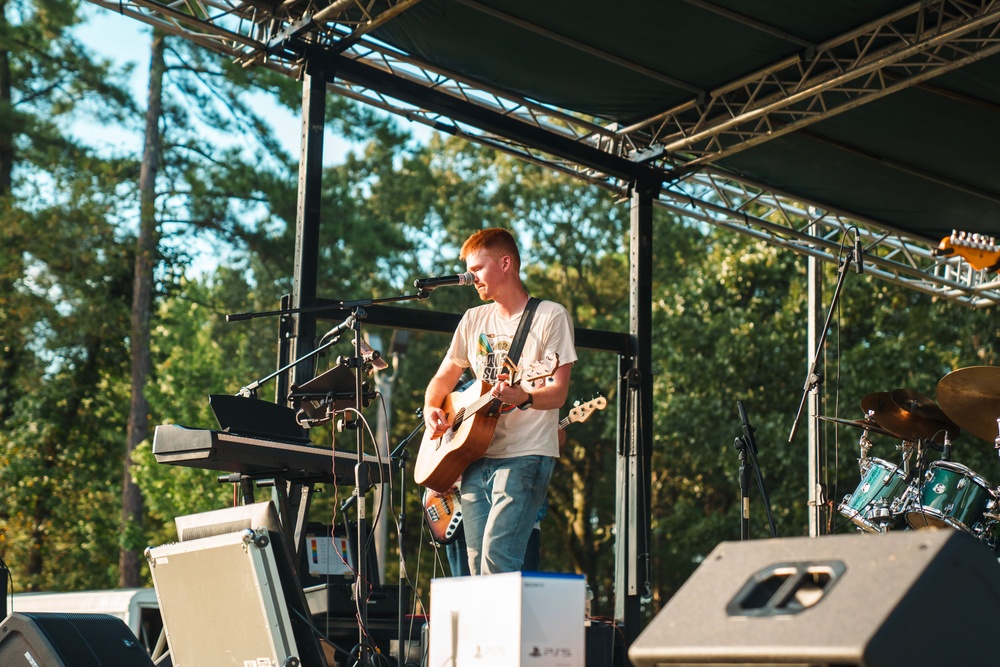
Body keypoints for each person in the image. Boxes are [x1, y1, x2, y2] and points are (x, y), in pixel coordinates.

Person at [423, 227, 576, 575]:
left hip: (526, 454)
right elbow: (442, 380)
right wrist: (434, 407)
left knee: (497, 559)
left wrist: (523, 396)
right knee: (477, 566)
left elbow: (558, 392)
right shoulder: (473, 319)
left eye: (476, 269)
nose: (470, 277)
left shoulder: (551, 316)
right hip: (475, 455)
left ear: (505, 263)